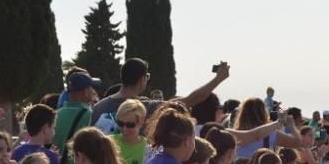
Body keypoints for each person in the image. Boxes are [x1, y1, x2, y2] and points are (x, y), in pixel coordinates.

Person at [90, 57, 231, 130]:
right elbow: (191, 100)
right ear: (142, 80)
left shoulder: (98, 107)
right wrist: (218, 78)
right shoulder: (146, 108)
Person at [54, 73, 102, 164]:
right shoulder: (89, 114)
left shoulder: (56, 114)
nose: (93, 91)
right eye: (91, 88)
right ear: (85, 92)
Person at [110, 99, 150, 164]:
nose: (124, 129)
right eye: (120, 123)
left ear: (141, 123)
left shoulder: (148, 148)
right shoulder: (109, 142)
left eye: (130, 125)